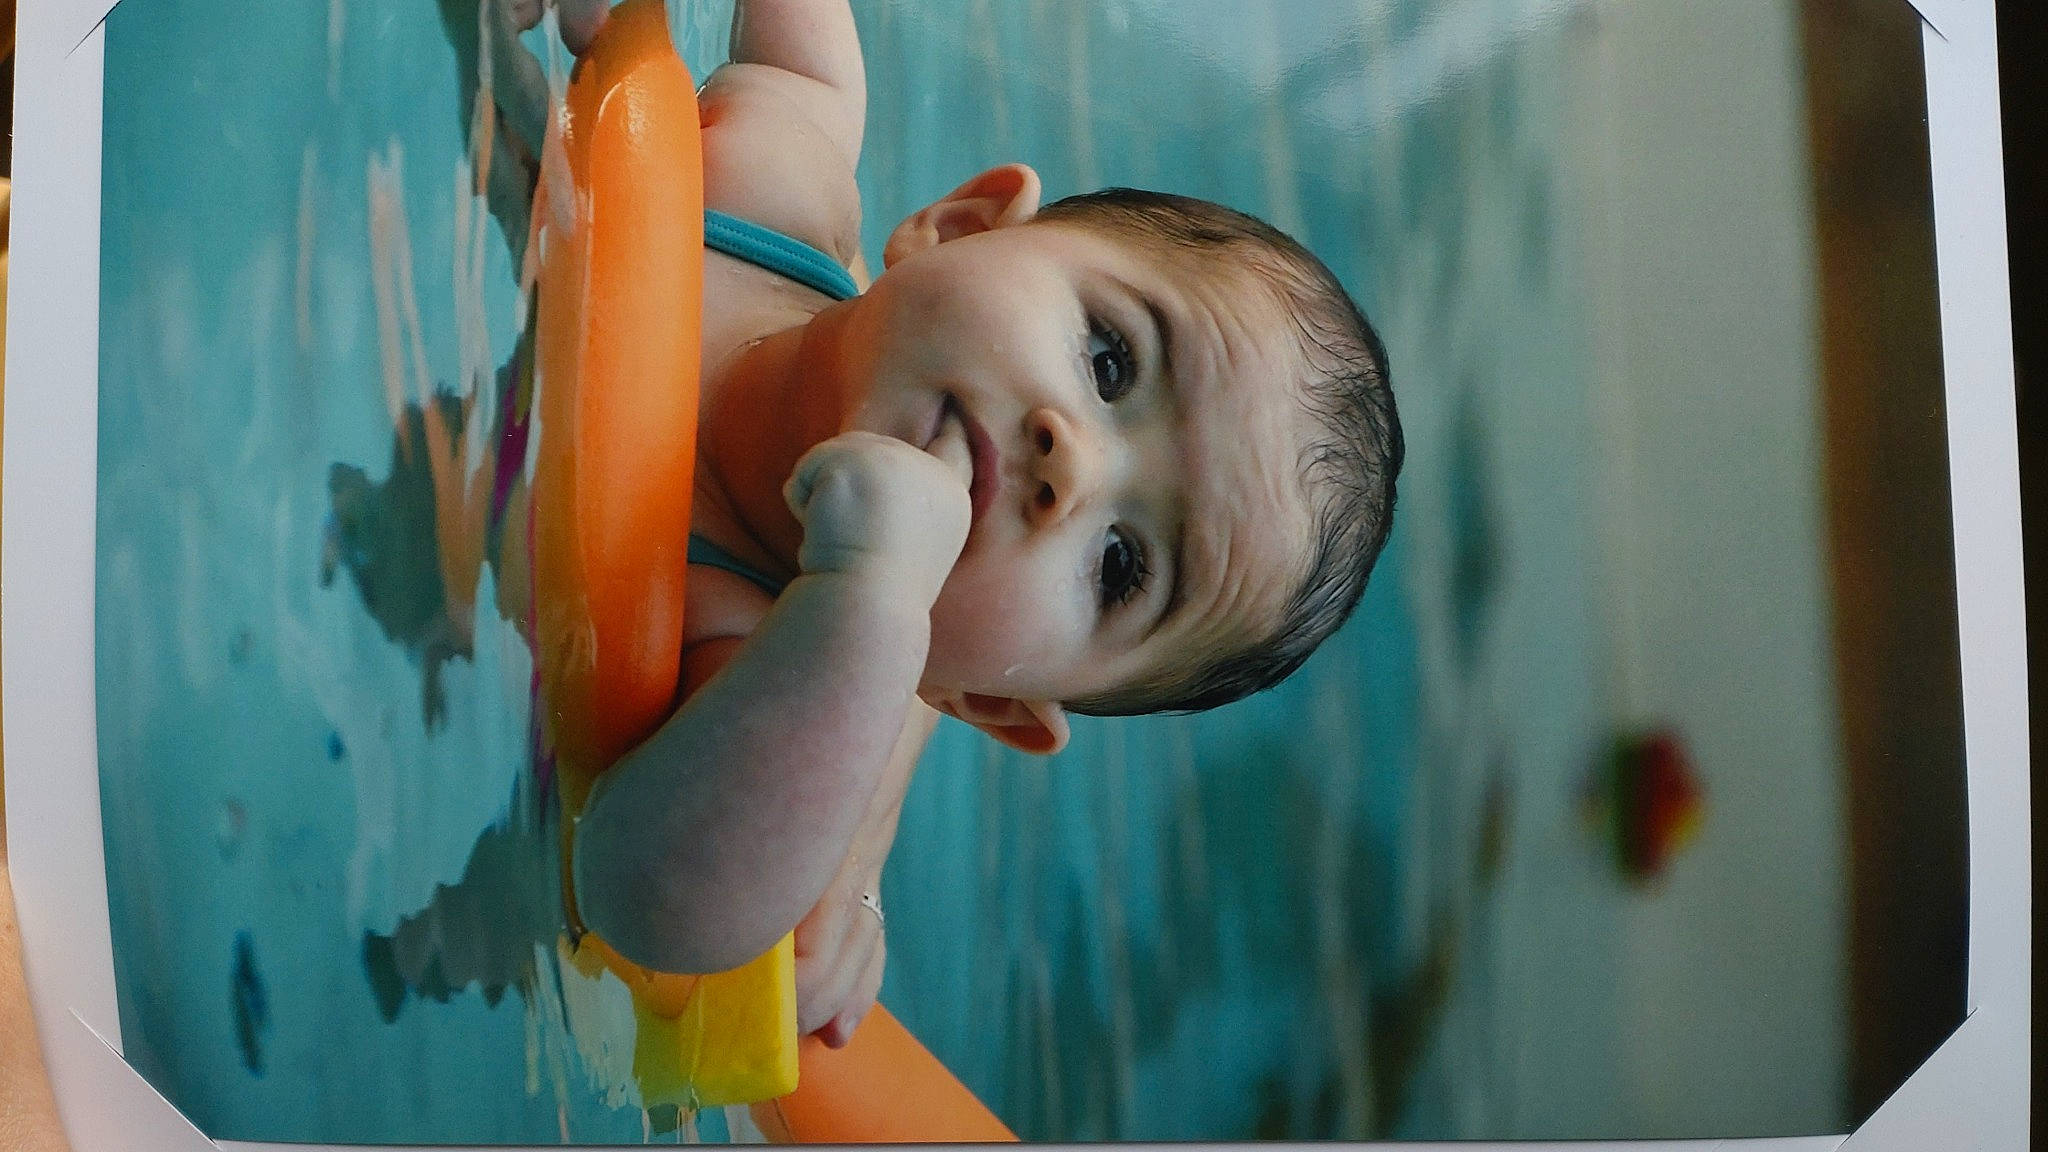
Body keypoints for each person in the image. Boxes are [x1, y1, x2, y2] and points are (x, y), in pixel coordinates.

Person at [483, 0, 1403, 1053]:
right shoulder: (777, 175)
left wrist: (862, 619)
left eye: (1119, 566)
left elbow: (644, 900)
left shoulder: (731, 654)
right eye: (1109, 360)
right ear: (959, 228)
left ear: (979, 695)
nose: (1072, 465)